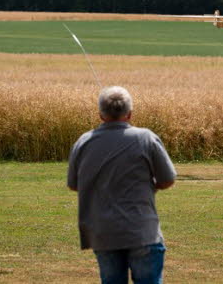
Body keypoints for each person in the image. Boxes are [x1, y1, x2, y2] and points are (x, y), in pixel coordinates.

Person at [68, 86, 176, 284]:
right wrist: (151, 186)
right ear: (130, 114)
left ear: (101, 115)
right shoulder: (146, 138)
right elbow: (167, 179)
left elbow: (74, 185)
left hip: (103, 232)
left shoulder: (83, 142)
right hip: (143, 230)